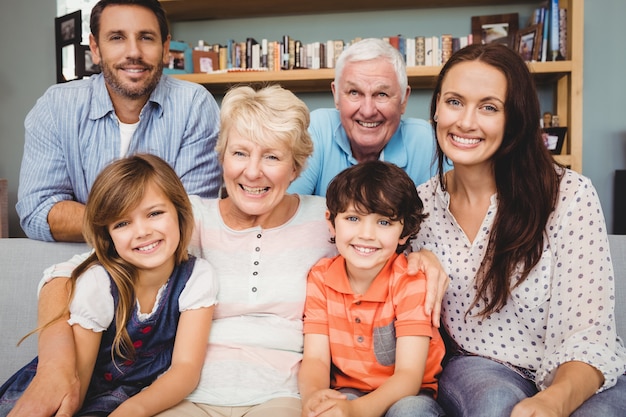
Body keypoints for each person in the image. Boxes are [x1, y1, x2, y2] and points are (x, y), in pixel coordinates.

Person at [12, 85, 447, 417]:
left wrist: (423, 258)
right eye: (240, 153)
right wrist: (54, 366)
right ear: (222, 157)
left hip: (284, 393)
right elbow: (69, 275)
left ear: (296, 167)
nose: (253, 172)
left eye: (273, 157)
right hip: (188, 388)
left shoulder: (330, 219)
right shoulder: (187, 218)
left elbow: (389, 242)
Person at [413, 42, 626, 416]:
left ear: (516, 119)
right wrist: (415, 262)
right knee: (496, 405)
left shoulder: (570, 195)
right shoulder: (421, 207)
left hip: (577, 370)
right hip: (482, 368)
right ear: (435, 110)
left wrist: (551, 402)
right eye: (454, 102)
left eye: (489, 107)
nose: (465, 121)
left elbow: (589, 333)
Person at [1, 154, 218, 416]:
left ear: (180, 212)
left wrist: (132, 410)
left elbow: (185, 369)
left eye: (155, 213)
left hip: (133, 401)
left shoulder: (197, 277)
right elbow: (75, 384)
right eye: (123, 223)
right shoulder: (99, 283)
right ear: (109, 235)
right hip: (73, 397)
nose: (142, 231)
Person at [17, 0, 222, 243]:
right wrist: (138, 223)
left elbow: (189, 216)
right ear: (95, 47)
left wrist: (97, 221)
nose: (133, 52)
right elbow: (38, 211)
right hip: (81, 266)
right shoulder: (56, 107)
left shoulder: (194, 105)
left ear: (166, 47)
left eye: (146, 37)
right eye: (117, 37)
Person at [299, 161, 445, 417]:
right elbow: (316, 360)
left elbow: (409, 377)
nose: (367, 234)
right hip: (347, 390)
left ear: (404, 232)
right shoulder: (321, 278)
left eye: (384, 223)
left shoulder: (411, 281)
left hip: (406, 395)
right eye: (353, 218)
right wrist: (315, 397)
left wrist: (354, 411)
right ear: (332, 223)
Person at [288, 37, 437, 197]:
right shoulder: (317, 129)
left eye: (381, 94)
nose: (368, 111)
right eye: (354, 92)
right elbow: (286, 212)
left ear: (403, 100)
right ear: (336, 95)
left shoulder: (427, 141)